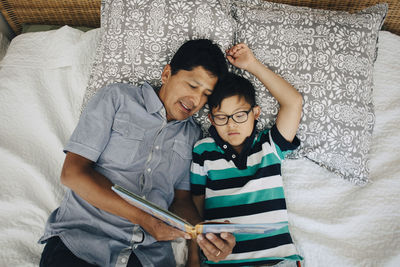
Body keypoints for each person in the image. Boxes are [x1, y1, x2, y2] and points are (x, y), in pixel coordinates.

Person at [38, 39, 236, 267]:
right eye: (192, 86)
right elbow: (72, 174)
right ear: (166, 74)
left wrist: (204, 235)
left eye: (206, 95)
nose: (196, 101)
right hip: (82, 243)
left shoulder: (192, 135)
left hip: (145, 256)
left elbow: (180, 200)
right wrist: (144, 219)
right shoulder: (117, 98)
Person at [189, 43, 303, 266]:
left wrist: (252, 64)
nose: (231, 125)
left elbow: (293, 102)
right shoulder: (203, 151)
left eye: (240, 115)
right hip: (223, 261)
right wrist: (194, 257)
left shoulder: (269, 145)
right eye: (222, 117)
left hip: (276, 260)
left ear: (256, 113)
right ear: (211, 119)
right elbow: (196, 207)